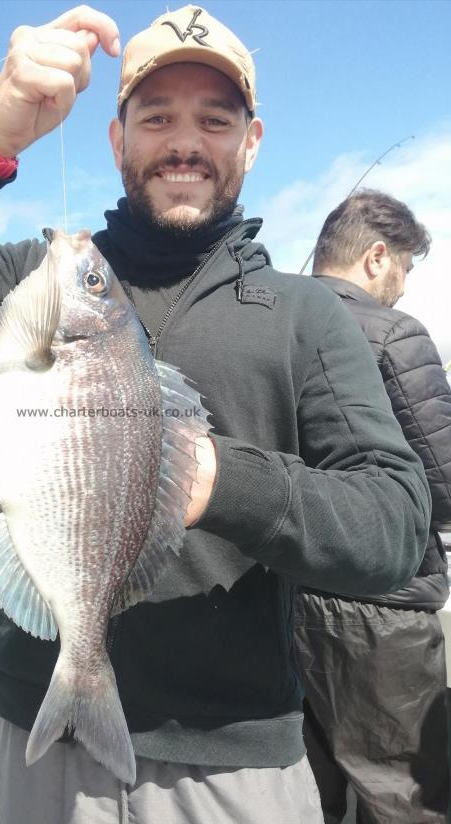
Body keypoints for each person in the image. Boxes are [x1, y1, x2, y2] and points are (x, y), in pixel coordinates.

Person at [0, 5, 432, 821]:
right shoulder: (37, 283)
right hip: (41, 737)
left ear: (252, 141)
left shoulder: (305, 315)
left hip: (232, 757)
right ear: (115, 138)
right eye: (157, 117)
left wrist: (213, 477)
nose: (184, 141)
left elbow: (393, 526)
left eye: (214, 119)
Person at [294, 190, 451, 823]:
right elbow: (444, 485)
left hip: (286, 601)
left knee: (314, 795)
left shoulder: (276, 319)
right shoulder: (395, 334)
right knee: (406, 797)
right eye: (406, 267)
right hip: (383, 613)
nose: (406, 287)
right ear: (377, 256)